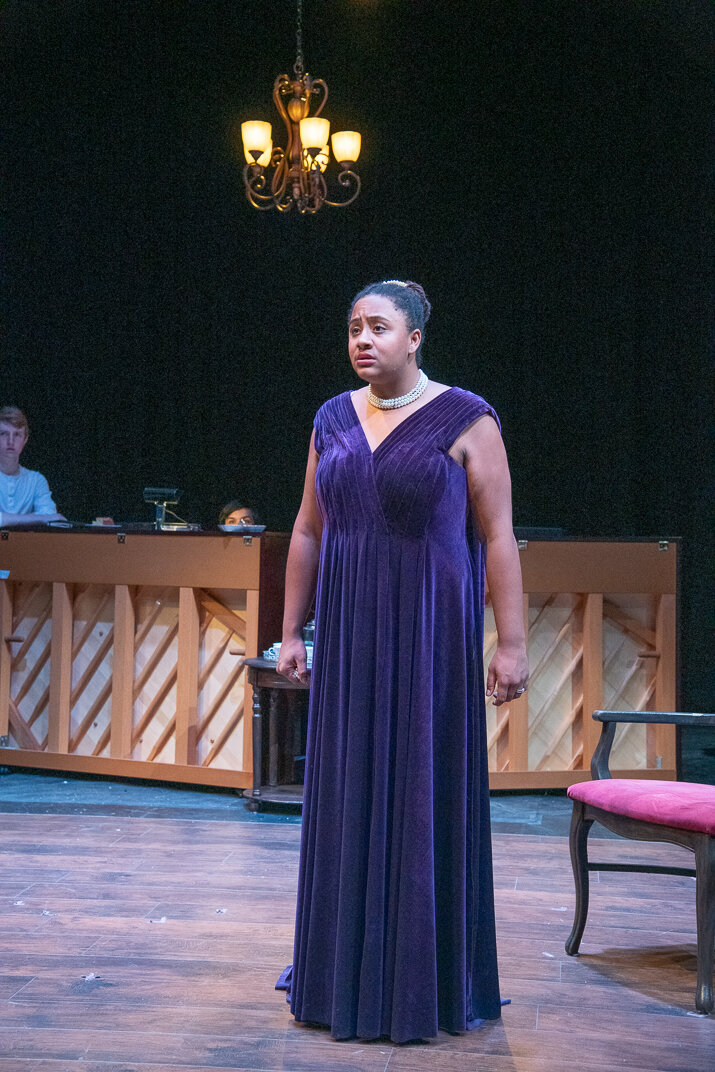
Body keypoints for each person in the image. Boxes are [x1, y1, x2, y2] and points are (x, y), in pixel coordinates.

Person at [275, 279, 528, 1043]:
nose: (362, 339)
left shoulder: (466, 416)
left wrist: (510, 643)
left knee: (419, 788)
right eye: (353, 327)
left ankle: (422, 976)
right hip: (350, 634)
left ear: (414, 337)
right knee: (349, 789)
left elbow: (498, 536)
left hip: (429, 638)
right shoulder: (329, 418)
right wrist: (292, 630)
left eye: (378, 327)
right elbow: (308, 531)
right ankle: (336, 973)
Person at [0, 406, 64, 527]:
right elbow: (45, 519)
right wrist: (35, 519)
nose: (11, 441)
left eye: (17, 435)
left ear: (25, 440)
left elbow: (51, 518)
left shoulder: (36, 480)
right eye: (4, 434)